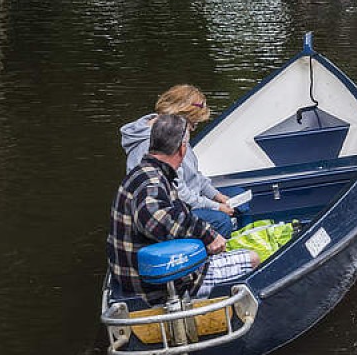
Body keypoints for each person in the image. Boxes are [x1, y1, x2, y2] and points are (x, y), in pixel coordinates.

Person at [108, 114, 259, 305]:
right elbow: (156, 218)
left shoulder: (142, 172)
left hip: (135, 278)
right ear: (182, 148)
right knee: (253, 259)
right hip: (158, 287)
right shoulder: (152, 183)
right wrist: (207, 234)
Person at [120, 84, 235, 238]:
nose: (193, 129)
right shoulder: (156, 144)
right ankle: (213, 253)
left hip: (189, 200)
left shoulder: (172, 133)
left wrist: (215, 195)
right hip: (175, 209)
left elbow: (194, 173)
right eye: (193, 124)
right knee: (222, 221)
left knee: (236, 196)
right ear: (179, 116)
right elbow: (179, 195)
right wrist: (216, 207)